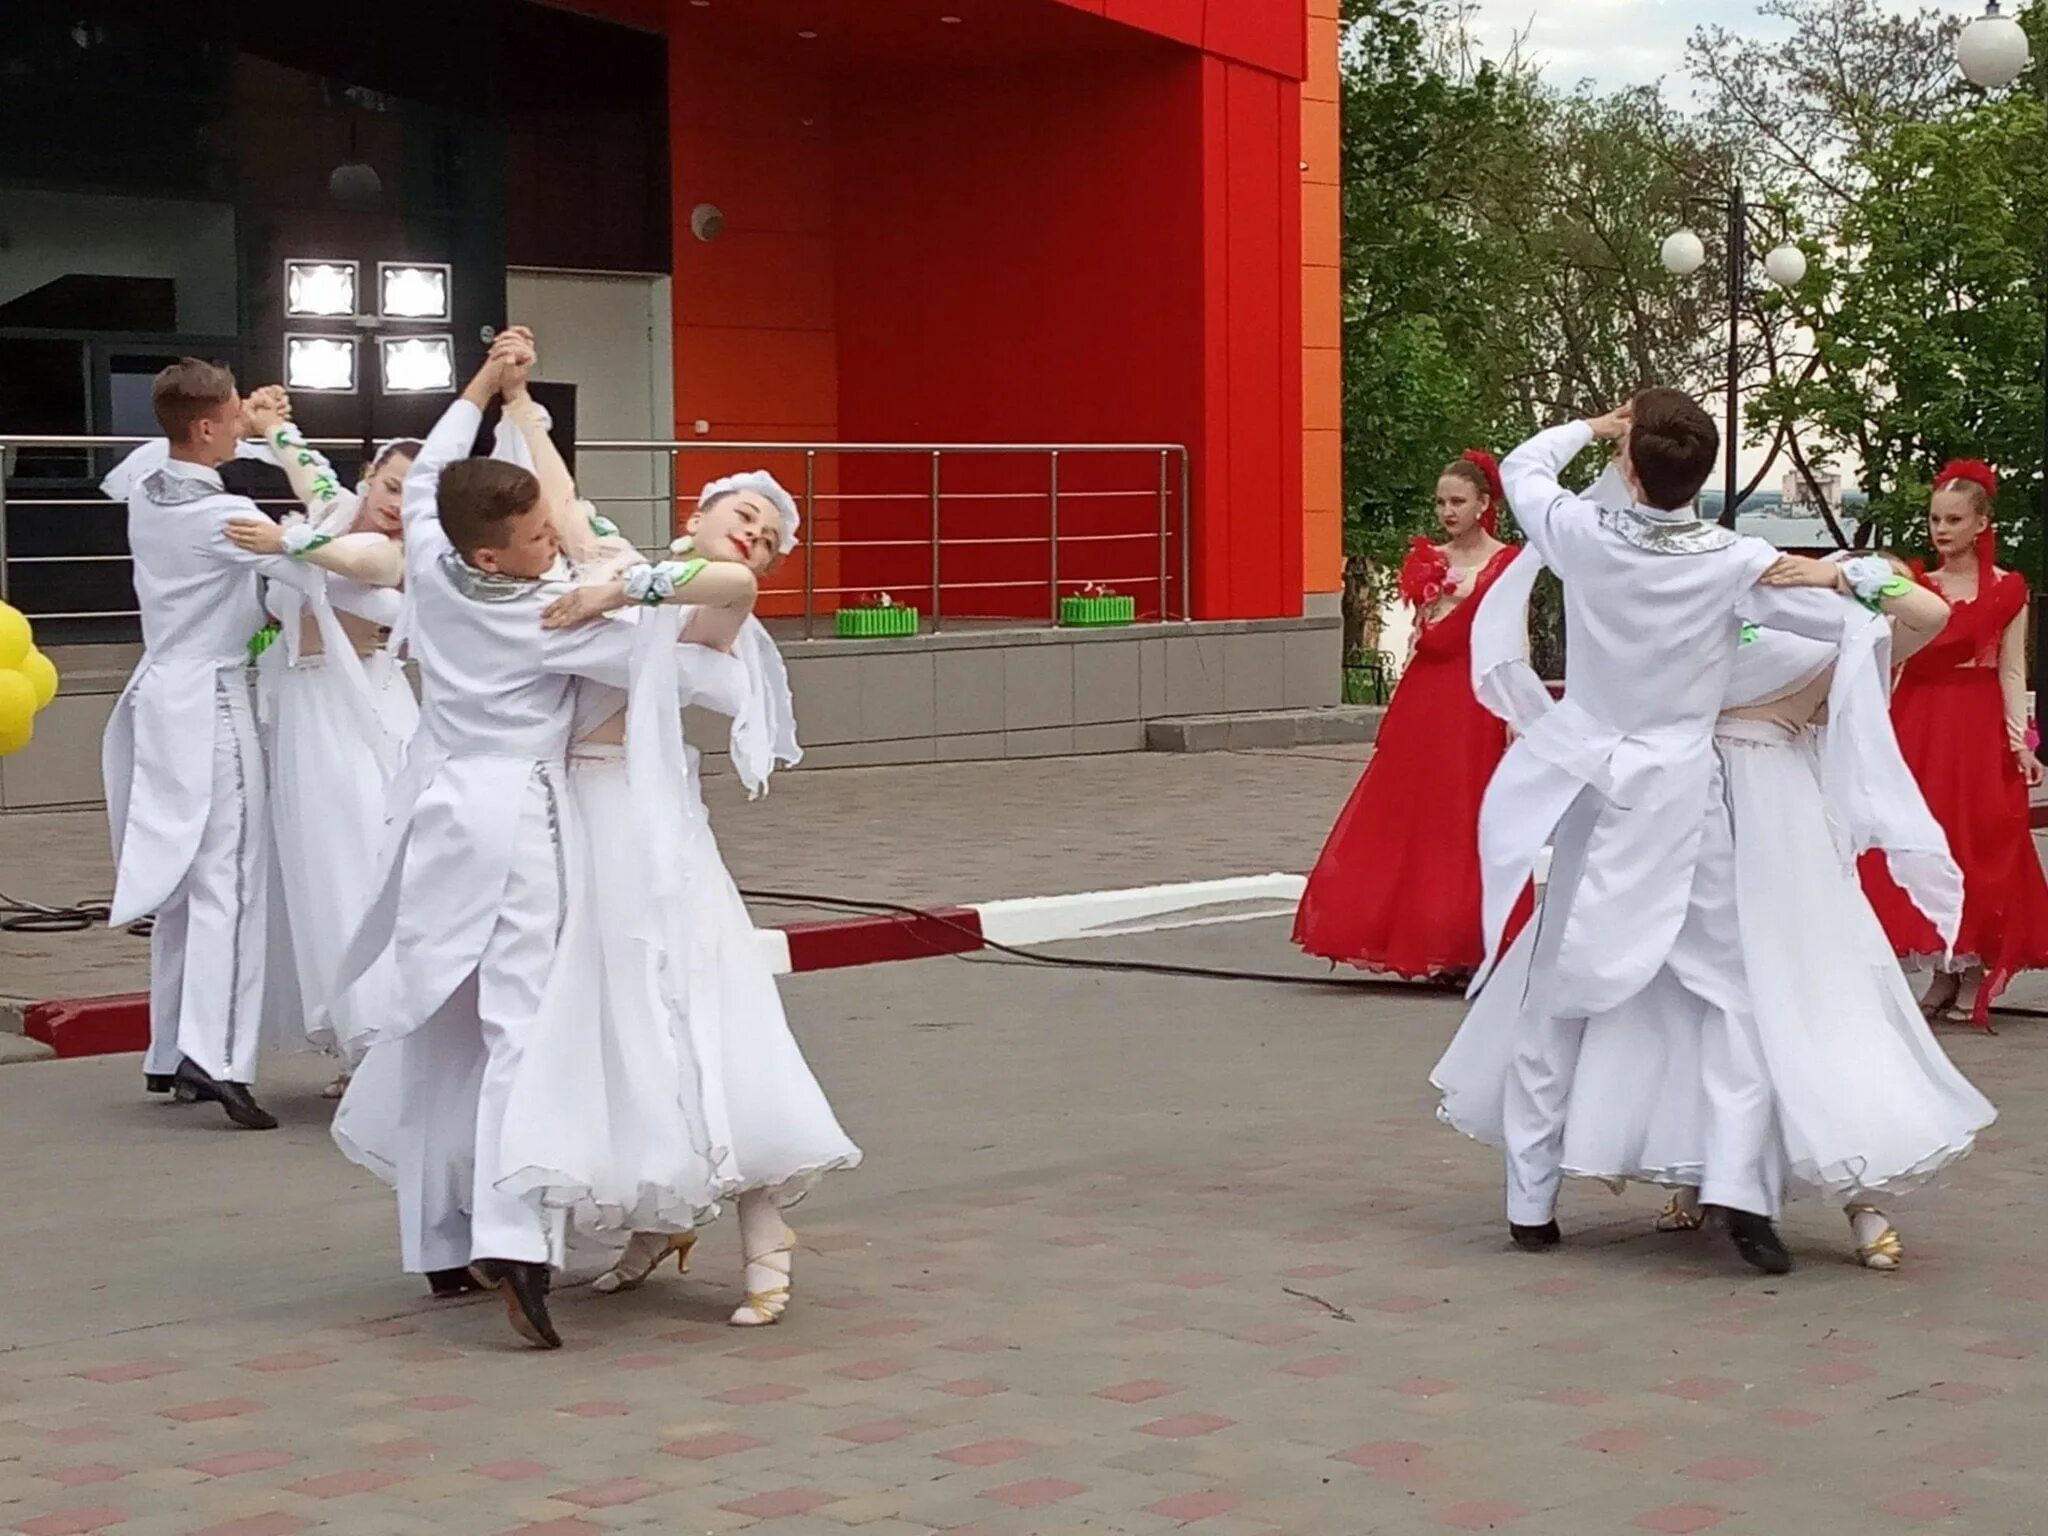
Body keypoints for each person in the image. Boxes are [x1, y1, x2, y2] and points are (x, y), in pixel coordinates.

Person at [321, 332, 758, 1348]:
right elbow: (722, 602)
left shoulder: (431, 566)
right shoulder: (551, 616)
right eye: (532, 537)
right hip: (517, 816)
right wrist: (629, 586)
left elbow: (432, 468)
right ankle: (514, 1234)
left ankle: (435, 1239)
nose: (551, 547)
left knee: (437, 1019)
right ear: (492, 553)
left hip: (435, 810)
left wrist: (486, 385)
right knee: (519, 1022)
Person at [1437, 545, 1994, 1272]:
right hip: (1679, 816)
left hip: (1767, 827)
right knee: (1675, 999)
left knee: (1784, 993)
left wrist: (1844, 577)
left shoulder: (1834, 631)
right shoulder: (1735, 621)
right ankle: (1707, 1173)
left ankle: (1831, 1186)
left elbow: (1926, 613)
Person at [1460, 388, 1889, 1274]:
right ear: (1701, 473)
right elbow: (1840, 618)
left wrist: (1592, 426)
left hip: (1594, 785)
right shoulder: (1734, 556)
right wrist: (1854, 578)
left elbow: (1520, 468)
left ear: (1629, 465)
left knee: (1557, 986)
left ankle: (1530, 1205)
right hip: (1686, 794)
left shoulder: (1581, 534)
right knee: (1730, 993)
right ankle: (1737, 1185)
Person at [516, 468, 860, 1327]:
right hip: (577, 817)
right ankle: (657, 1214)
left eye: (774, 539)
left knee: (700, 1011)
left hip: (648, 829)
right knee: (617, 1022)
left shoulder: (716, 608)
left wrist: (610, 596)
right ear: (695, 513)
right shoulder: (618, 561)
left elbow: (727, 584)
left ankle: (764, 1229)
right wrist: (518, 404)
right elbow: (562, 497)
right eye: (746, 516)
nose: (758, 537)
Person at [99, 363, 328, 1131]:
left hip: (160, 689)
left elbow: (183, 455)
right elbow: (318, 540)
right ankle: (219, 1056)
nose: (240, 427)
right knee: (228, 877)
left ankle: (170, 1048)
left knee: (181, 883)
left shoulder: (144, 481)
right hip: (212, 699)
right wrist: (284, 439)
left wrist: (256, 430)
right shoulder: (223, 517)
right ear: (203, 427)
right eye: (230, 417)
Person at [224, 419, 417, 1095]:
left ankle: (390, 1039)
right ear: (370, 475)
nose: (398, 502)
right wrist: (273, 422)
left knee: (364, 860)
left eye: (413, 495)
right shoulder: (332, 511)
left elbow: (365, 564)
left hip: (363, 711)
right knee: (317, 871)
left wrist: (288, 540)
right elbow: (307, 469)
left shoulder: (399, 552)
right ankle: (353, 1040)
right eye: (392, 484)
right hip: (302, 713)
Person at [1293, 452, 1520, 982]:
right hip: (1427, 694)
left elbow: (1515, 636)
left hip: (1478, 694)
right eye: (1441, 502)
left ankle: (1471, 941)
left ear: (1484, 504)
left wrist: (1517, 706)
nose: (1447, 511)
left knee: (1471, 811)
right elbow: (1424, 630)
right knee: (1418, 811)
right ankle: (1423, 935)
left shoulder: (1508, 562)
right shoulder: (1427, 557)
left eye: (1457, 501)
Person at [1860, 460, 2048, 1028]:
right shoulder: (1918, 588)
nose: (1941, 529)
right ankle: (1943, 963)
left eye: (1953, 519)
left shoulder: (2008, 590)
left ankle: (1972, 968)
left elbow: (2011, 670)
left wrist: (2022, 742)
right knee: (1923, 837)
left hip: (1976, 723)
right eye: (1935, 519)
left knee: (1980, 839)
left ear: (1981, 523)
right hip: (1920, 720)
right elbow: (1890, 662)